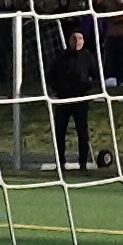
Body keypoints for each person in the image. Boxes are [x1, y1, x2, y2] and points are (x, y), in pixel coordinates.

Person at [46, 25, 95, 174]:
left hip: (80, 99)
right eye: (74, 38)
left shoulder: (88, 57)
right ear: (69, 40)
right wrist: (57, 89)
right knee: (59, 132)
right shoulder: (61, 57)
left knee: (82, 132)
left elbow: (97, 75)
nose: (77, 41)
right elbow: (50, 75)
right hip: (63, 99)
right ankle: (60, 163)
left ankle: (83, 164)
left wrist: (88, 87)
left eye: (80, 38)